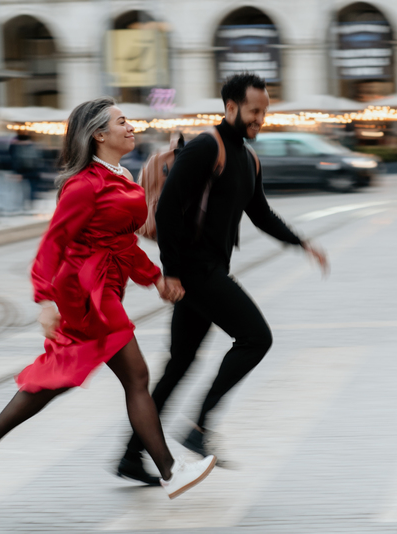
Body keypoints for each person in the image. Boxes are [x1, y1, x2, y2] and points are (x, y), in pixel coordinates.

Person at [0, 98, 216, 499]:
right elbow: (53, 242)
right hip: (85, 292)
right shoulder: (84, 185)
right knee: (137, 377)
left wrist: (155, 277)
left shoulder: (120, 175)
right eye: (122, 122)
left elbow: (122, 243)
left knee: (63, 373)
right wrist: (45, 300)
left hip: (105, 286)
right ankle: (171, 470)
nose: (131, 128)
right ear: (99, 134)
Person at [116, 73, 329, 485]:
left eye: (264, 111)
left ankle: (131, 455)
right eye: (253, 111)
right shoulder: (205, 147)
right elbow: (168, 209)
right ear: (231, 108)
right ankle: (199, 427)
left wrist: (301, 242)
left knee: (180, 365)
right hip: (196, 271)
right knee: (256, 338)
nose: (260, 119)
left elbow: (261, 214)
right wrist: (171, 272)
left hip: (210, 269)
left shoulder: (248, 159)